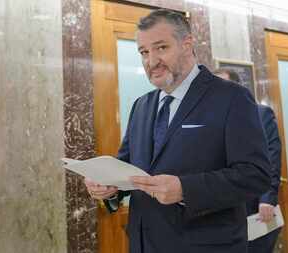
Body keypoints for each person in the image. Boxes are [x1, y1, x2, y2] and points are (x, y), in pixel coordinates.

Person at [85, 9, 271, 253]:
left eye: (161, 48)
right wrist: (109, 186)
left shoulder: (231, 97)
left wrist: (185, 189)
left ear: (187, 44)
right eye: (144, 52)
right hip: (144, 244)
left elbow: (255, 175)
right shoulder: (142, 105)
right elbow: (129, 165)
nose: (151, 61)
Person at [214, 68, 282, 253]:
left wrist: (267, 198)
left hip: (256, 208)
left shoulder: (260, 113)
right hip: (224, 211)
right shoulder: (212, 119)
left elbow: (271, 157)